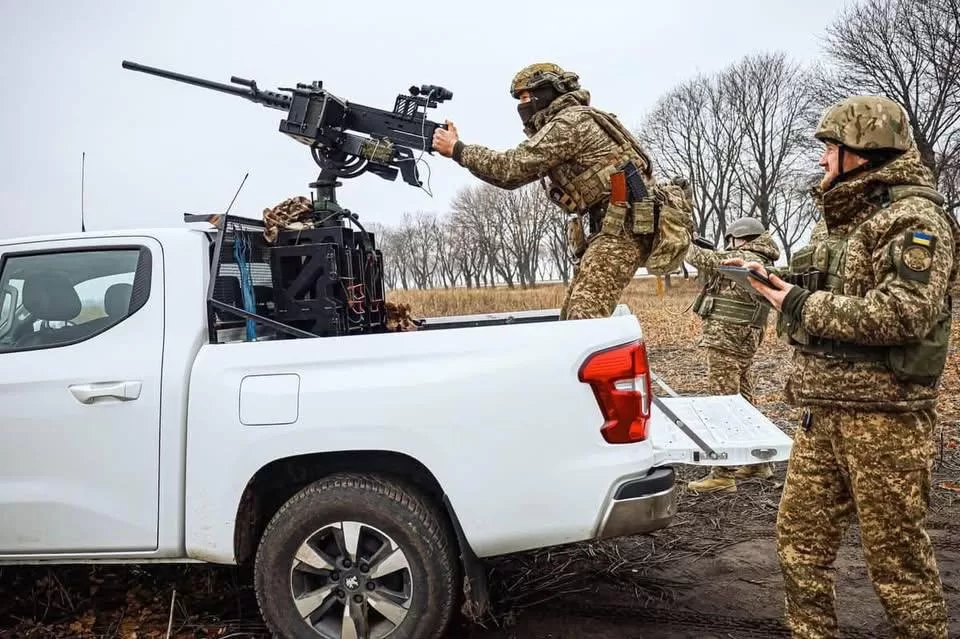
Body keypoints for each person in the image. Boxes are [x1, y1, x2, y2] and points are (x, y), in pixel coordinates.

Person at [725, 95, 957, 638]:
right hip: (820, 411)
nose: (824, 158)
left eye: (832, 147)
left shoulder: (915, 221)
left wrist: (799, 305)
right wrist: (778, 286)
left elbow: (902, 314)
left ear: (863, 152)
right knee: (799, 543)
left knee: (897, 564)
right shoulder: (845, 220)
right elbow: (840, 295)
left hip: (885, 419)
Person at [430, 62, 692, 320]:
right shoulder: (575, 119)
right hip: (613, 228)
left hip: (623, 230)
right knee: (570, 319)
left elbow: (510, 168)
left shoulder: (570, 123)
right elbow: (511, 178)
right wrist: (457, 149)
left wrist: (458, 149)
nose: (522, 106)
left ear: (547, 92)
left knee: (583, 320)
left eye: (525, 97)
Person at [684, 217, 781, 493]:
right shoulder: (759, 256)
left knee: (723, 405)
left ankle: (723, 474)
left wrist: (684, 239)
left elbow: (702, 258)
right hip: (744, 338)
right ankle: (757, 462)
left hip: (726, 339)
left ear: (740, 238)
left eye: (731, 240)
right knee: (744, 401)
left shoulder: (744, 256)